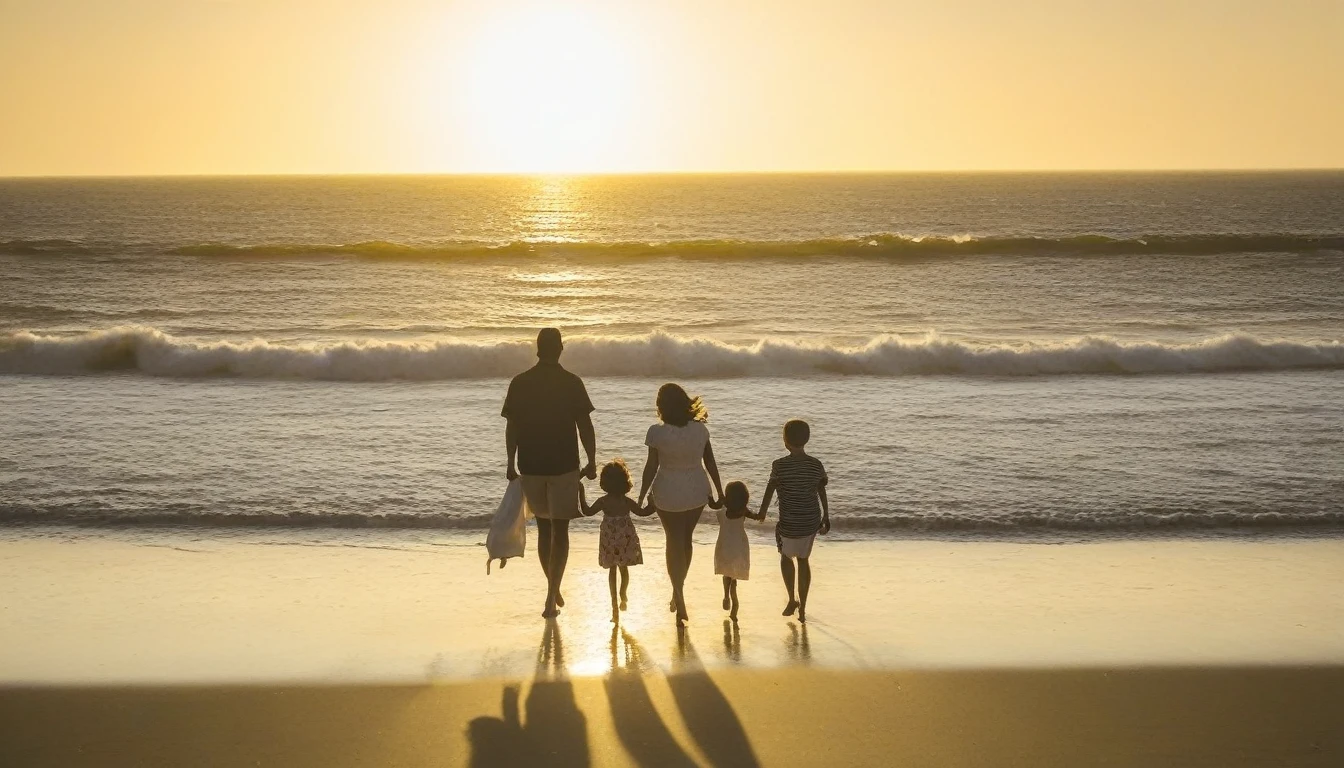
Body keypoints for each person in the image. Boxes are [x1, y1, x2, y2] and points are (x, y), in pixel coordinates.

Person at [503, 328, 597, 619]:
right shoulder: (571, 382)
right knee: (561, 531)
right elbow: (585, 426)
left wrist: (510, 461)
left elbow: (512, 427)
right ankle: (552, 590)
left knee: (545, 530)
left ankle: (551, 588)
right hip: (564, 467)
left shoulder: (520, 383)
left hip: (531, 466)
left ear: (537, 348)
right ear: (560, 349)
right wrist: (592, 460)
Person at [636, 383, 724, 626]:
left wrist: (642, 496)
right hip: (696, 490)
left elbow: (651, 467)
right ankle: (678, 591)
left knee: (673, 541)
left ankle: (678, 593)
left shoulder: (656, 432)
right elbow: (711, 464)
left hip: (668, 491)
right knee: (685, 541)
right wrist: (719, 492)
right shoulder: (700, 431)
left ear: (661, 407)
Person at [758, 419, 829, 624]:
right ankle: (803, 608)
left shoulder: (779, 466)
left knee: (786, 557)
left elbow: (770, 489)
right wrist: (826, 515)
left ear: (785, 441)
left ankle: (791, 599)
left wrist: (762, 512)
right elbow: (821, 490)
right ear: (806, 440)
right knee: (804, 560)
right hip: (810, 520)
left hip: (789, 521)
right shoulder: (816, 465)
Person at [579, 460, 653, 623]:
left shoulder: (603, 501)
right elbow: (642, 512)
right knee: (624, 569)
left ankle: (614, 604)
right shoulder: (626, 501)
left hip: (609, 538)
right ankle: (623, 595)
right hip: (625, 536)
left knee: (612, 570)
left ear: (604, 482)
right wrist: (653, 502)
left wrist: (581, 492)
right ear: (624, 481)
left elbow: (587, 511)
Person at [711, 481, 764, 622]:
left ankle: (726, 596)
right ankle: (734, 603)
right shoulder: (743, 512)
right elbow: (756, 516)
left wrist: (713, 498)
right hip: (738, 546)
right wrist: (762, 513)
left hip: (724, 546)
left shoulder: (722, 513)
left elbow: (713, 506)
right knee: (733, 577)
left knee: (726, 574)